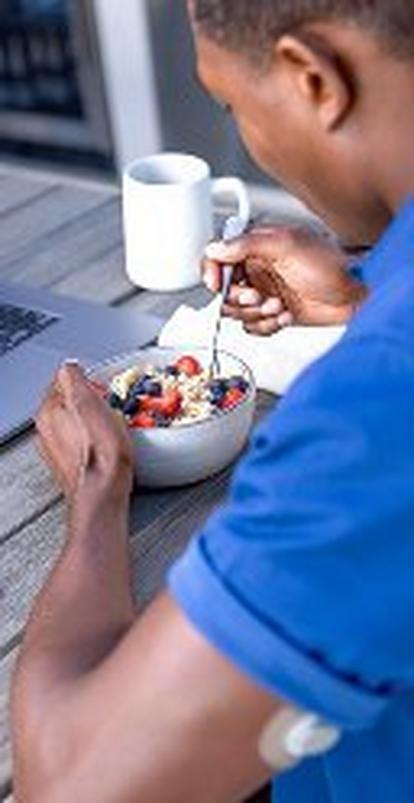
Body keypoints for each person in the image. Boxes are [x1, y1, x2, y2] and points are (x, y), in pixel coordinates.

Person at [11, 1, 414, 801]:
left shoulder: (373, 411)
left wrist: (97, 485)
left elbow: (70, 783)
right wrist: (368, 293)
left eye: (230, 103)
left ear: (312, 78)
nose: (243, 133)